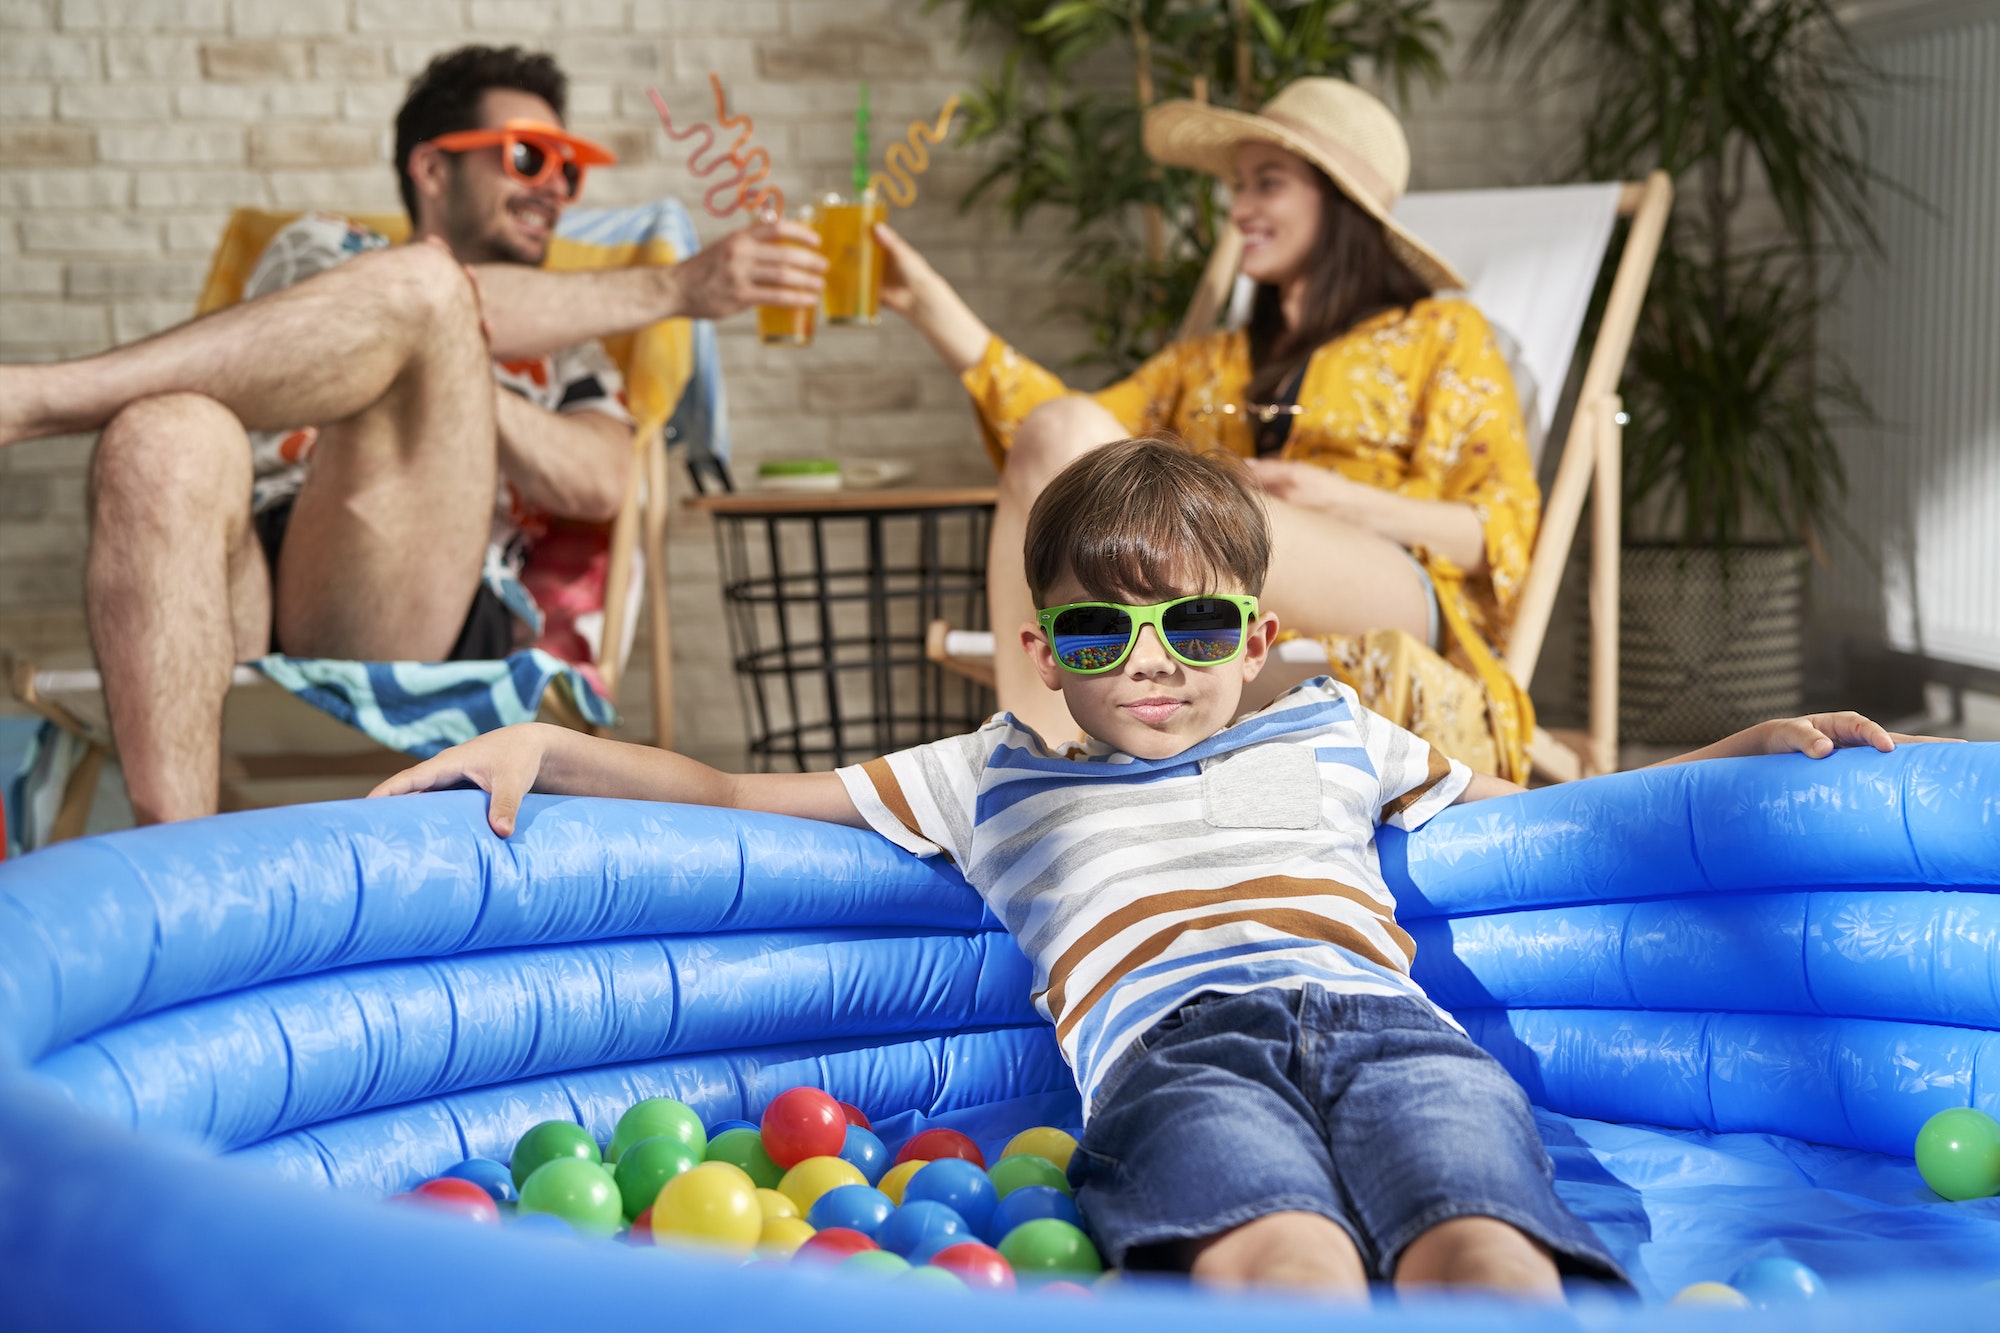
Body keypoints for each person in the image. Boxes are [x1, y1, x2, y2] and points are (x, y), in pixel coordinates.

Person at [370, 437, 1932, 1300]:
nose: (1155, 663)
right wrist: (545, 748)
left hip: (1391, 1031)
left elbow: (1553, 817)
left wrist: (1737, 751)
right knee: (1287, 1257)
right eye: (1106, 633)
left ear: (1256, 640)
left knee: (1481, 1243)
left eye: (1193, 627)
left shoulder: (1331, 728)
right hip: (1178, 1057)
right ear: (1044, 649)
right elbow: (724, 789)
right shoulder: (986, 773)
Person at [0, 45, 825, 826]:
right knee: (161, 433)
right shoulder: (327, 249)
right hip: (232, 578)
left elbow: (602, 479)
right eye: (528, 157)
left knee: (429, 296)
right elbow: (396, 303)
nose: (555, 187)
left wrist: (448, 379)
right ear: (433, 167)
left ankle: (38, 399)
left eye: (568, 171)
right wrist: (442, 333)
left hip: (416, 591)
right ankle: (179, 882)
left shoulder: (569, 350)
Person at [871, 77, 1541, 780]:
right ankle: (1037, 776)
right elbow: (1063, 445)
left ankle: (1035, 777)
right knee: (1062, 426)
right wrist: (926, 304)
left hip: (1385, 578)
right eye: (1239, 187)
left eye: (1266, 184)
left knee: (1215, 500)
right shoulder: (1213, 360)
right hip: (1215, 584)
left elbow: (1498, 530)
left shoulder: (1440, 333)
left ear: (1340, 204)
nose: (1240, 208)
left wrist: (1344, 502)